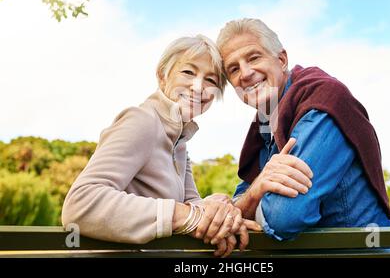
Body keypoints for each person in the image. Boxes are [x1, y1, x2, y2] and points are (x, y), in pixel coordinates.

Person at [62, 35, 286, 257]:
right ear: (162, 77)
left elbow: (190, 206)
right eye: (188, 72)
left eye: (211, 80)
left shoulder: (179, 140)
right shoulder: (142, 121)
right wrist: (187, 216)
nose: (199, 87)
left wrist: (218, 211)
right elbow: (80, 203)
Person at [216, 18, 390, 241]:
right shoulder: (266, 121)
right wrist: (252, 193)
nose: (245, 73)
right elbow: (244, 190)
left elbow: (284, 216)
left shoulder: (322, 101)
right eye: (233, 69)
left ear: (281, 60)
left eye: (253, 57)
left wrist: (248, 200)